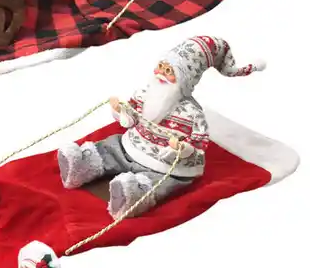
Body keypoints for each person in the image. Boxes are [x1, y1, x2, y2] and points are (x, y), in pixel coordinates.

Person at [58, 36, 265, 218]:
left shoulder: (192, 114)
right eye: (161, 66)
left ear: (184, 79)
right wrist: (121, 110)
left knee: (163, 181)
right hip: (132, 146)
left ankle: (134, 194)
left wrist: (181, 148)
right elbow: (131, 118)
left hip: (163, 164)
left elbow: (198, 145)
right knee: (112, 146)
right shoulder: (146, 93)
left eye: (169, 71)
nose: (161, 73)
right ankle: (82, 164)